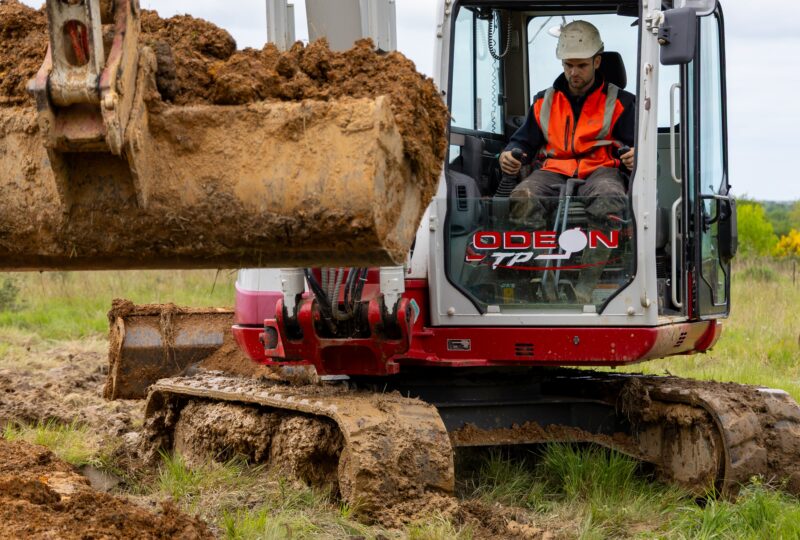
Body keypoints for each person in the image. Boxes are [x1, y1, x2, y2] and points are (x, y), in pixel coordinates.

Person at [498, 20, 636, 304]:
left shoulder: (622, 102)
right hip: (554, 170)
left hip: (601, 170)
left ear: (597, 61)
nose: (573, 72)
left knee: (610, 197)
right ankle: (544, 280)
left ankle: (584, 288)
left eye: (581, 65)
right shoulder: (543, 102)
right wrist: (508, 154)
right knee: (522, 195)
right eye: (568, 65)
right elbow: (522, 142)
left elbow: (636, 145)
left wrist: (636, 156)